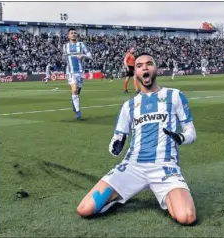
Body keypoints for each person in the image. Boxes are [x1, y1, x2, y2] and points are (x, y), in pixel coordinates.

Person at [77, 53, 197, 225]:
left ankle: (165, 195)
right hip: (132, 166)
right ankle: (116, 196)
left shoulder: (175, 95)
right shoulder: (129, 106)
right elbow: (117, 138)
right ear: (135, 73)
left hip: (164, 166)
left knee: (187, 217)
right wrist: (115, 146)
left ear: (156, 69)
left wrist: (181, 137)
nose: (145, 67)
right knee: (85, 209)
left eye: (149, 64)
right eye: (140, 65)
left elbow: (191, 131)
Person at [62, 28, 92, 120]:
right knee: (74, 90)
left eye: (75, 33)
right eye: (72, 33)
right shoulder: (65, 46)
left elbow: (90, 56)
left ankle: (74, 102)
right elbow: (64, 58)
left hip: (80, 72)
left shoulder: (81, 45)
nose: (73, 34)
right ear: (68, 35)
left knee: (77, 93)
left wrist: (83, 55)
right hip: (70, 72)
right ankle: (78, 113)